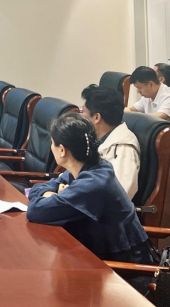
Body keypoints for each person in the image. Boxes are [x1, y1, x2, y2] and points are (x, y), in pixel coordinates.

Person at [27, 114, 154, 270]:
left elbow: (35, 210)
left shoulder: (92, 184)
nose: (51, 147)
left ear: (62, 150)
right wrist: (49, 194)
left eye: (52, 143)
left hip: (124, 269)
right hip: (96, 253)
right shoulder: (88, 167)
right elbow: (37, 189)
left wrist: (51, 195)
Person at [80, 84, 140, 199]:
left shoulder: (123, 150)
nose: (81, 118)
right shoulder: (98, 139)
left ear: (97, 118)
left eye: (83, 112)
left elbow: (118, 196)